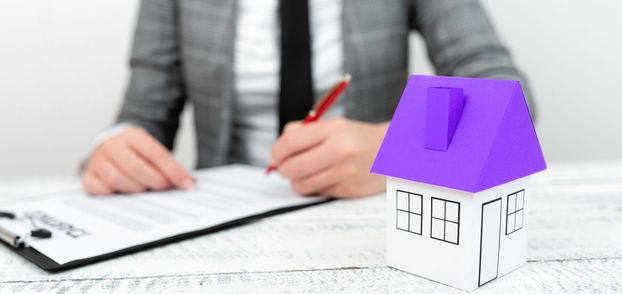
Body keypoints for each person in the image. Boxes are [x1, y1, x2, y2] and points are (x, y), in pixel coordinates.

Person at [82, 0, 533, 198]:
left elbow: (511, 100)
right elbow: (142, 116)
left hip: (368, 220)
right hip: (222, 226)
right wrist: (117, 150)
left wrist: (398, 150)